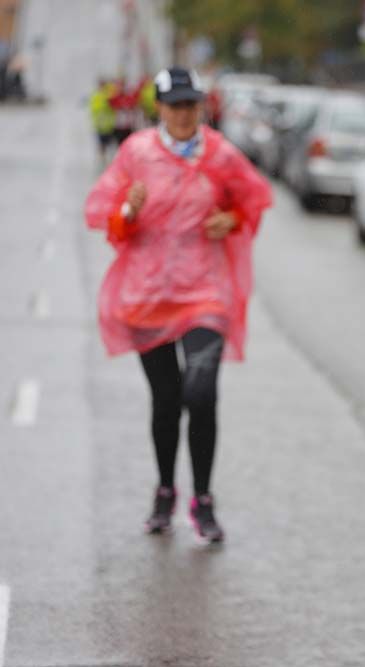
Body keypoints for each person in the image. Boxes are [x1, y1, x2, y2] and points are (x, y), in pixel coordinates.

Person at [84, 67, 272, 543]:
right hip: (148, 296)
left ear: (200, 108)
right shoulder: (137, 153)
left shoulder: (221, 154)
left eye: (191, 105)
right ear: (160, 109)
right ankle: (165, 491)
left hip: (204, 292)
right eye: (175, 105)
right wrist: (129, 207)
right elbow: (105, 217)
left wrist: (230, 219)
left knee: (201, 394)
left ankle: (203, 500)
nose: (184, 114)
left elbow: (254, 200)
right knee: (167, 402)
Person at [89, 79, 116, 163]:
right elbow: (94, 108)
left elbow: (114, 106)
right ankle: (102, 159)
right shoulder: (96, 96)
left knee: (111, 143)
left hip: (109, 124)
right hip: (100, 125)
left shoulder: (109, 94)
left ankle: (111, 159)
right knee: (102, 144)